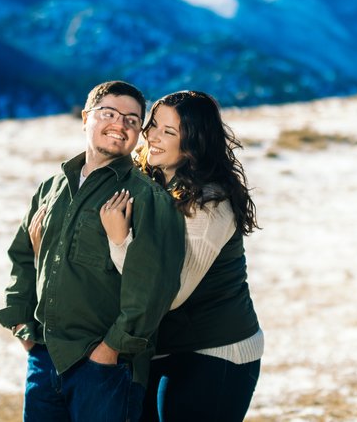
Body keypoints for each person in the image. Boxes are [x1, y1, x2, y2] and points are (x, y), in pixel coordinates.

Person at [0, 80, 186, 422]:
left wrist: (110, 350)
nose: (120, 124)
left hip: (105, 369)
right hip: (44, 357)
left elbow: (154, 287)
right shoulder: (52, 188)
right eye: (109, 113)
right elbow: (23, 258)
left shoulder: (147, 199)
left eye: (132, 119)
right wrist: (24, 328)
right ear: (86, 118)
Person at [96, 90, 263, 422]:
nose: (152, 137)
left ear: (192, 145)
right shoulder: (151, 182)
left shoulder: (209, 205)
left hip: (217, 350)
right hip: (165, 347)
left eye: (168, 132)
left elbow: (166, 295)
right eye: (153, 125)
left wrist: (119, 240)